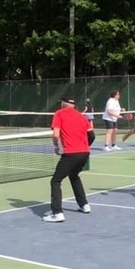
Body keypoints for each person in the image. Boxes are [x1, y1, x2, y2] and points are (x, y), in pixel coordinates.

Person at [42, 95, 91, 223]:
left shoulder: (59, 114)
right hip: (84, 153)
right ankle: (84, 205)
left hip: (71, 153)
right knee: (74, 175)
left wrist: (56, 146)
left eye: (61, 102)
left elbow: (55, 134)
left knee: (55, 181)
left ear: (64, 103)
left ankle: (57, 213)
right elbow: (91, 135)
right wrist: (84, 147)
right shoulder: (82, 116)